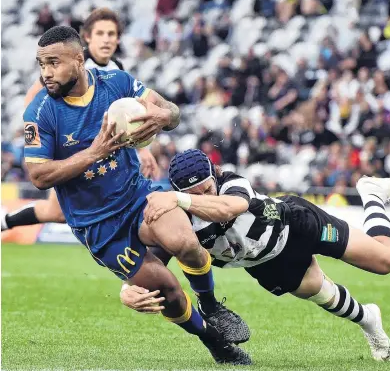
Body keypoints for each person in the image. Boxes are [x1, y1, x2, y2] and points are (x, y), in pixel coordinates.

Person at [21, 26, 251, 365]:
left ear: (79, 60)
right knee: (167, 290)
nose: (46, 73)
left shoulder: (116, 83)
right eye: (41, 65)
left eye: (54, 63)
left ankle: (211, 304)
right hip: (98, 226)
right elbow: (38, 176)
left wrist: (162, 116)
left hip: (138, 197)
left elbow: (170, 111)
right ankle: (213, 340)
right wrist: (92, 153)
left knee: (186, 242)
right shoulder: (41, 113)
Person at [120, 149, 390, 362]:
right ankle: (369, 320)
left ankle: (371, 194)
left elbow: (229, 208)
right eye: (193, 194)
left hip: (297, 224)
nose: (202, 199)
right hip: (267, 264)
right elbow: (148, 263)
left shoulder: (231, 182)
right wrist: (127, 290)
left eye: (206, 189)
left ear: (215, 176)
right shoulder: (178, 222)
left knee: (387, 261)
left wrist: (180, 198)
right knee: (324, 295)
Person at [2, 8, 159, 233]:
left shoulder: (117, 71)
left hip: (102, 153)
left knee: (59, 213)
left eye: (111, 34)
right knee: (57, 212)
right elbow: (33, 100)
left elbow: (129, 117)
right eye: (100, 33)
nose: (107, 39)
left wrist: (144, 150)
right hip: (70, 148)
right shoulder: (67, 65)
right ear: (86, 38)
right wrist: (45, 136)